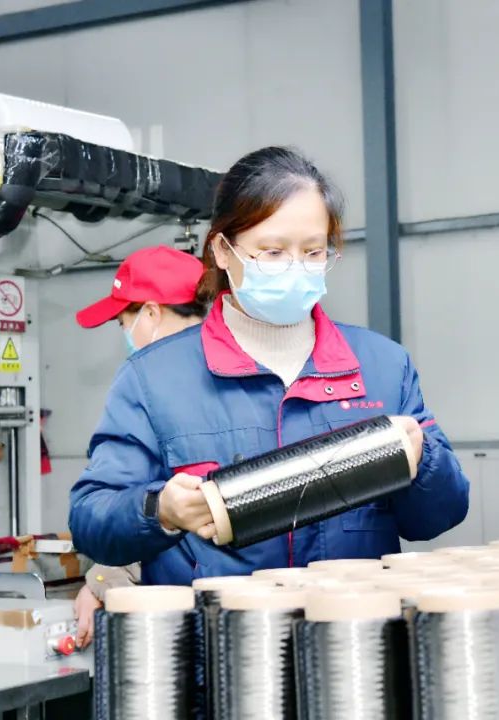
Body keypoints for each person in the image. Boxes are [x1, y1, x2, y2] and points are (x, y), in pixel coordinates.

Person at [69, 146, 469, 585]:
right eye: (273, 252)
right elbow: (91, 521)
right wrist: (159, 510)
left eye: (313, 252)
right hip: (218, 627)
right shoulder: (153, 379)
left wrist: (423, 459)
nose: (295, 268)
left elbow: (438, 517)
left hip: (349, 625)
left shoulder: (383, 366)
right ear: (223, 251)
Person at [70, 245, 206, 646]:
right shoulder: (241, 372)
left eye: (123, 323)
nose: (125, 337)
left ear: (151, 314)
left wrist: (101, 581)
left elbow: (149, 508)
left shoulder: (150, 385)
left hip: (177, 621)